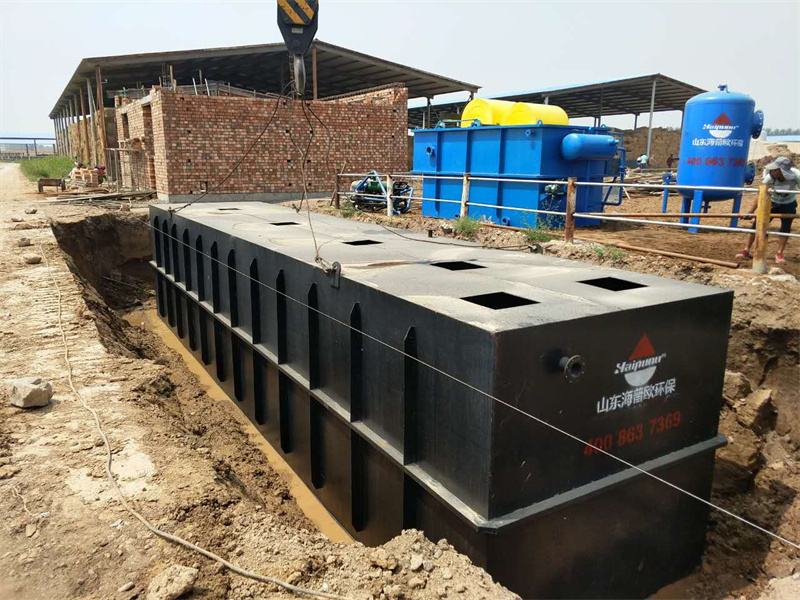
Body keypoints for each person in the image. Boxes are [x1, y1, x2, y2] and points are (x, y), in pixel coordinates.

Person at [736, 156, 799, 263]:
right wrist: (751, 212)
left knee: (785, 228)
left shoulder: (796, 176)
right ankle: (746, 250)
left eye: (775, 169)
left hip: (788, 203)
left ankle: (779, 253)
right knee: (757, 225)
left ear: (782, 170)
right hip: (771, 202)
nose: (772, 171)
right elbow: (760, 195)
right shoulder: (770, 177)